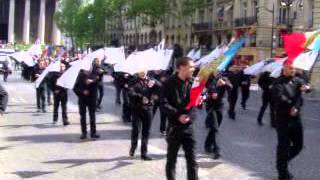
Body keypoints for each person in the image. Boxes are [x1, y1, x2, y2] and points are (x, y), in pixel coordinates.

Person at [161, 57, 198, 180]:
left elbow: (194, 103)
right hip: (174, 128)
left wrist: (200, 100)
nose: (193, 69)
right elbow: (163, 104)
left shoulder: (193, 82)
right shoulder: (168, 83)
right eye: (191, 67)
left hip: (189, 127)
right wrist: (178, 115)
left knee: (192, 160)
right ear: (181, 67)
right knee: (171, 160)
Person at [272, 64, 311, 180]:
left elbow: (306, 88)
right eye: (290, 68)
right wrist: (291, 105)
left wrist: (307, 88)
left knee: (298, 145)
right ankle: (282, 174)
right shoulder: (277, 82)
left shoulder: (298, 80)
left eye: (294, 68)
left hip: (295, 118)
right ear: (284, 68)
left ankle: (282, 162)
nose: (293, 70)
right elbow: (279, 97)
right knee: (283, 146)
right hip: (282, 118)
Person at [128, 71, 157, 160]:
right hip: (136, 109)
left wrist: (154, 96)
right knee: (136, 130)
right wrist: (140, 97)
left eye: (144, 71)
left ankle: (144, 154)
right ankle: (133, 147)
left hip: (148, 109)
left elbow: (160, 89)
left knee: (146, 132)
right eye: (141, 71)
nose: (142, 72)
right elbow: (130, 93)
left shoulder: (151, 81)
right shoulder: (133, 81)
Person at [204, 73, 232, 159]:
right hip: (211, 107)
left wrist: (225, 83)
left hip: (220, 107)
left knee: (214, 128)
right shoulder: (209, 79)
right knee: (215, 128)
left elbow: (231, 87)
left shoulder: (224, 78)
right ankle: (217, 150)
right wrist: (213, 92)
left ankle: (207, 145)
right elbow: (207, 90)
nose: (217, 71)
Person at [74, 69, 100, 140]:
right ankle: (84, 133)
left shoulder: (94, 75)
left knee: (92, 116)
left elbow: (98, 84)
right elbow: (75, 88)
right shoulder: (79, 76)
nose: (88, 69)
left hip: (92, 99)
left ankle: (93, 133)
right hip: (82, 99)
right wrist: (82, 91)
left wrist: (92, 81)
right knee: (83, 116)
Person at [148, 70, 168, 135]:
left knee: (163, 115)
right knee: (151, 114)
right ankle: (147, 128)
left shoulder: (165, 74)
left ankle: (163, 129)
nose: (158, 70)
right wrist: (152, 95)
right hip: (154, 99)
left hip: (163, 98)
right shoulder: (150, 74)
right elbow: (149, 87)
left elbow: (167, 86)